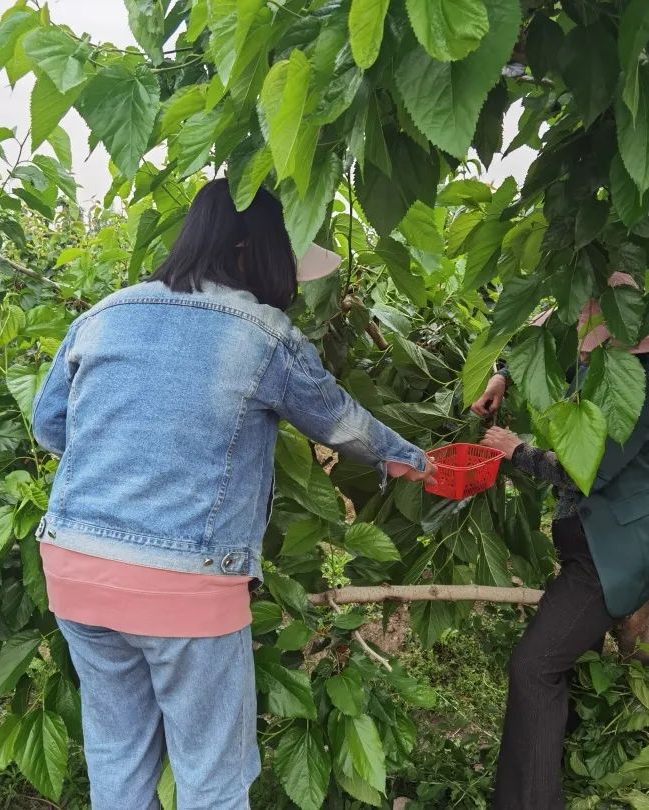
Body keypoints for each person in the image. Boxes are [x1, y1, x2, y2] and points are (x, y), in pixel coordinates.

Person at [30, 178, 434, 810]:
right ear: (250, 250)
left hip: (78, 569)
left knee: (116, 757)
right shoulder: (263, 332)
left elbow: (51, 425)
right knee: (211, 778)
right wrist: (410, 460)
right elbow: (341, 421)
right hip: (187, 585)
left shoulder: (104, 314)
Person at [472, 274, 649, 810]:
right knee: (560, 660)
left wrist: (515, 450)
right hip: (594, 545)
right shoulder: (609, 357)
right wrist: (502, 376)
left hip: (614, 555)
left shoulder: (640, 379)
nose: (583, 328)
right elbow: (545, 336)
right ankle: (554, 770)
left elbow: (585, 472)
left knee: (535, 669)